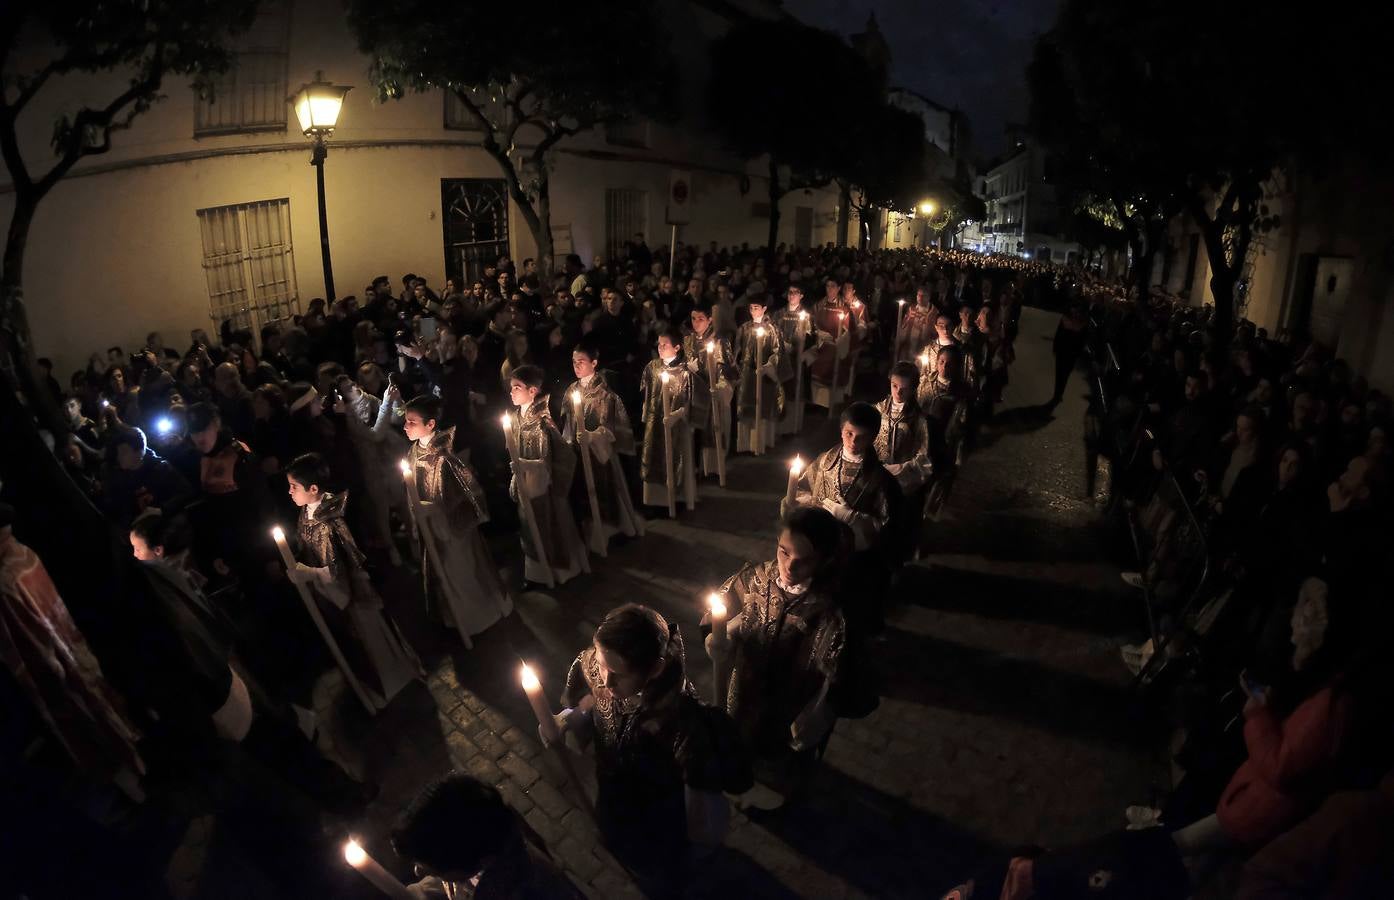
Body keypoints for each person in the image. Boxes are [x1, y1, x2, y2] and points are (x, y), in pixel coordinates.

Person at [558, 604, 750, 899]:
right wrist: (566, 717)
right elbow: (587, 698)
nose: (605, 681)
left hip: (659, 820)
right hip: (613, 794)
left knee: (663, 875)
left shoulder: (683, 724)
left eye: (618, 674)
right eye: (600, 664)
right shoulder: (597, 666)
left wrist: (699, 843)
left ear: (656, 667)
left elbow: (700, 810)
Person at [0, 502, 146, 798]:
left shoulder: (6, 578)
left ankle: (137, 785)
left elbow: (27, 644)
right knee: (107, 715)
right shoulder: (24, 553)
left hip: (59, 667)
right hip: (75, 651)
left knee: (94, 727)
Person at [708, 507, 849, 810]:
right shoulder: (757, 577)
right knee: (739, 736)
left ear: (823, 560)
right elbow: (724, 615)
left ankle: (770, 792)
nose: (788, 566)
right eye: (783, 552)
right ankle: (740, 780)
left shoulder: (829, 609)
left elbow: (833, 671)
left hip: (788, 701)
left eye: (803, 560)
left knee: (775, 753)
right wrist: (724, 634)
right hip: (744, 686)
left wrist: (816, 711)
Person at [284, 454, 422, 710]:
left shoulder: (329, 521)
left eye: (294, 486)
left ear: (313, 489)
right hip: (334, 594)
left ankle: (392, 681)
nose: (289, 491)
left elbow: (337, 570)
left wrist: (308, 573)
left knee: (372, 640)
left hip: (355, 595)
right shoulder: (306, 514)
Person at [403, 395, 513, 645]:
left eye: (412, 422)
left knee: (462, 572)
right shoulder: (412, 453)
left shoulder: (445, 459)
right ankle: (456, 617)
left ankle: (479, 617)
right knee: (446, 579)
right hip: (431, 529)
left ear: (430, 424)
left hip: (452, 532)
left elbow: (465, 496)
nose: (405, 427)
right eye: (406, 422)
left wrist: (433, 511)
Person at [394, 772, 584, 899]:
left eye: (430, 866)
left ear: (483, 861)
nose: (417, 872)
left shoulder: (521, 888)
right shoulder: (485, 840)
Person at [505, 365, 589, 587]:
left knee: (548, 525)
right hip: (525, 484)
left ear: (532, 391)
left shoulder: (543, 421)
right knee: (529, 528)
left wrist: (524, 464)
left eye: (517, 387)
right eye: (511, 388)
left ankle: (556, 571)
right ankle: (535, 574)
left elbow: (549, 459)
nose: (511, 392)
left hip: (542, 486)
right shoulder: (514, 418)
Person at [559, 338, 644, 551]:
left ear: (594, 363)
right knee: (585, 494)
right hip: (578, 453)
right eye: (573, 362)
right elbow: (568, 423)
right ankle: (591, 535)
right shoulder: (571, 391)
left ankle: (610, 532)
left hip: (601, 454)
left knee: (606, 491)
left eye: (581, 361)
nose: (576, 366)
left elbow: (609, 427)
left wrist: (592, 436)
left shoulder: (604, 393)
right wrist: (569, 441)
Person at [640, 327, 698, 512]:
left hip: (677, 425)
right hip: (654, 421)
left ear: (677, 347)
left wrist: (678, 414)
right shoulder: (652, 367)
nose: (660, 347)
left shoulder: (685, 370)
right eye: (659, 344)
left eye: (665, 344)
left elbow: (691, 400)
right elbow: (647, 393)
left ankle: (678, 499)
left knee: (676, 458)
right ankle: (656, 501)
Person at [682, 300, 734, 478]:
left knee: (713, 428)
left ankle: (712, 468)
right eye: (693, 318)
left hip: (713, 390)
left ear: (710, 320)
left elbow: (728, 368)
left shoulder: (719, 341)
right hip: (693, 391)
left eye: (700, 319)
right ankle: (696, 467)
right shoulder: (688, 340)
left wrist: (714, 381)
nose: (696, 322)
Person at [733, 292, 785, 454]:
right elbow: (736, 350)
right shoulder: (744, 328)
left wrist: (768, 365)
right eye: (751, 308)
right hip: (746, 373)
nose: (753, 311)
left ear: (764, 309)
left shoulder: (771, 329)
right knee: (746, 408)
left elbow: (778, 351)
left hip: (763, 375)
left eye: (756, 308)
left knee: (762, 407)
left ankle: (760, 444)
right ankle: (745, 445)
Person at [773, 285, 816, 436]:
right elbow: (772, 331)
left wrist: (798, 343)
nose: (792, 295)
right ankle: (779, 428)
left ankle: (793, 426)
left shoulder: (806, 315)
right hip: (780, 357)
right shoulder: (779, 313)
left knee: (795, 390)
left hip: (796, 359)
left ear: (801, 296)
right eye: (789, 292)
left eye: (795, 292)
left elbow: (810, 336)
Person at [1051, 299, 1089, 404]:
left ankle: (1059, 393)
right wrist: (1055, 347)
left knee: (1065, 374)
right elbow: (1058, 334)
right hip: (1062, 351)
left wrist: (1078, 354)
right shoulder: (1065, 319)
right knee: (1059, 373)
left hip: (1071, 353)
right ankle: (1057, 394)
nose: (1075, 311)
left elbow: (1082, 341)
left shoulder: (1083, 323)